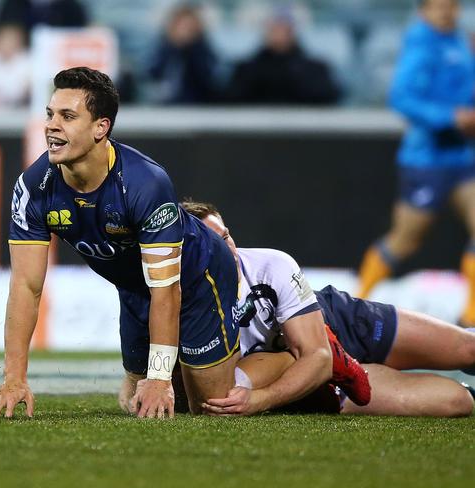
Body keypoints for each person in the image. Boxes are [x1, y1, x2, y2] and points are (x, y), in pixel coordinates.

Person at [0, 67, 240, 419]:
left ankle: (293, 371)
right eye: (50, 114)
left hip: (197, 278)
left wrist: (160, 376)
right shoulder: (32, 189)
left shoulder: (144, 183)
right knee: (137, 404)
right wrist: (14, 379)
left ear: (100, 127)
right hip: (135, 289)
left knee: (210, 407)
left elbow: (167, 287)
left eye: (67, 116)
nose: (51, 125)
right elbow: (26, 286)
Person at [185, 201, 475, 417]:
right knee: (459, 402)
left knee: (468, 348)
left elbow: (316, 355)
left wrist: (259, 400)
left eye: (226, 237)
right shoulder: (182, 297)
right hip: (308, 376)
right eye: (215, 244)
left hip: (335, 322)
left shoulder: (270, 266)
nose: (228, 251)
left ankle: (336, 354)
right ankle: (339, 365)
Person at [355, 0, 475, 328]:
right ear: (423, 10)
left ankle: (471, 316)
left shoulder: (460, 40)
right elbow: (401, 97)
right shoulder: (420, 44)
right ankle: (356, 301)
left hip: (462, 156)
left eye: (451, 5)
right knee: (407, 238)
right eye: (439, 6)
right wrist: (450, 118)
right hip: (427, 159)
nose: (447, 11)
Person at [227, 8, 340, 105]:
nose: (279, 33)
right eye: (274, 28)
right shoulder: (247, 69)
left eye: (283, 27)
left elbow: (328, 96)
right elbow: (232, 97)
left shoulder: (315, 68)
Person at [148, 4, 220, 104]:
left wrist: (189, 50)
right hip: (165, 104)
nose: (185, 31)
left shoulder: (202, 50)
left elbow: (207, 80)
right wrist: (175, 48)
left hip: (198, 105)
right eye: (182, 26)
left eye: (189, 27)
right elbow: (153, 73)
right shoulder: (164, 48)